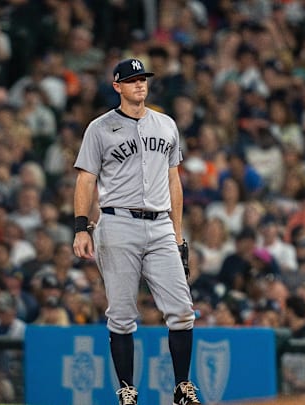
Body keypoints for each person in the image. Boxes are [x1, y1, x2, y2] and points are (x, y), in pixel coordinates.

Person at [73, 58, 201, 405]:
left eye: (142, 79)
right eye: (131, 80)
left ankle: (182, 387)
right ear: (117, 86)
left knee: (182, 310)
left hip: (160, 224)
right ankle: (127, 390)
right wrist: (82, 227)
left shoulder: (166, 124)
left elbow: (174, 179)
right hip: (117, 223)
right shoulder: (99, 128)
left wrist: (177, 234)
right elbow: (86, 179)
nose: (139, 85)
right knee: (122, 313)